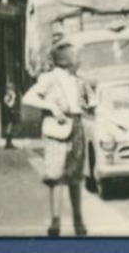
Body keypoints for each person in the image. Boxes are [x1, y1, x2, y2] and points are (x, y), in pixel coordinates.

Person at [23, 42, 93, 237]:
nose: (79, 60)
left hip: (76, 127)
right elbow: (28, 98)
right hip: (57, 129)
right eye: (76, 56)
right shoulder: (50, 78)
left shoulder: (79, 80)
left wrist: (89, 104)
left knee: (75, 176)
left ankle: (78, 219)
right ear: (66, 60)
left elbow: (88, 102)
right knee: (55, 176)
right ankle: (55, 222)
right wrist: (51, 107)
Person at [0, 81, 20, 150]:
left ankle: (9, 143)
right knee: (9, 127)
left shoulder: (10, 95)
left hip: (11, 113)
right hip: (8, 113)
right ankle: (8, 143)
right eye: (11, 88)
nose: (12, 89)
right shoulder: (7, 96)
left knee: (10, 128)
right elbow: (9, 105)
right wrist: (13, 98)